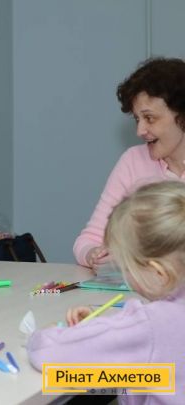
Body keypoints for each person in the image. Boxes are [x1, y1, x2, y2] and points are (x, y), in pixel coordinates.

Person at [29, 181, 185, 404]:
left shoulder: (151, 325)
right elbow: (155, 374)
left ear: (158, 272)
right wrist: (102, 328)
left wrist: (54, 333)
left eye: (124, 266)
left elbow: (48, 352)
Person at [74, 57, 185, 269]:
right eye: (137, 119)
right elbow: (89, 239)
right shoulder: (132, 161)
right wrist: (93, 255)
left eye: (149, 118)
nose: (140, 131)